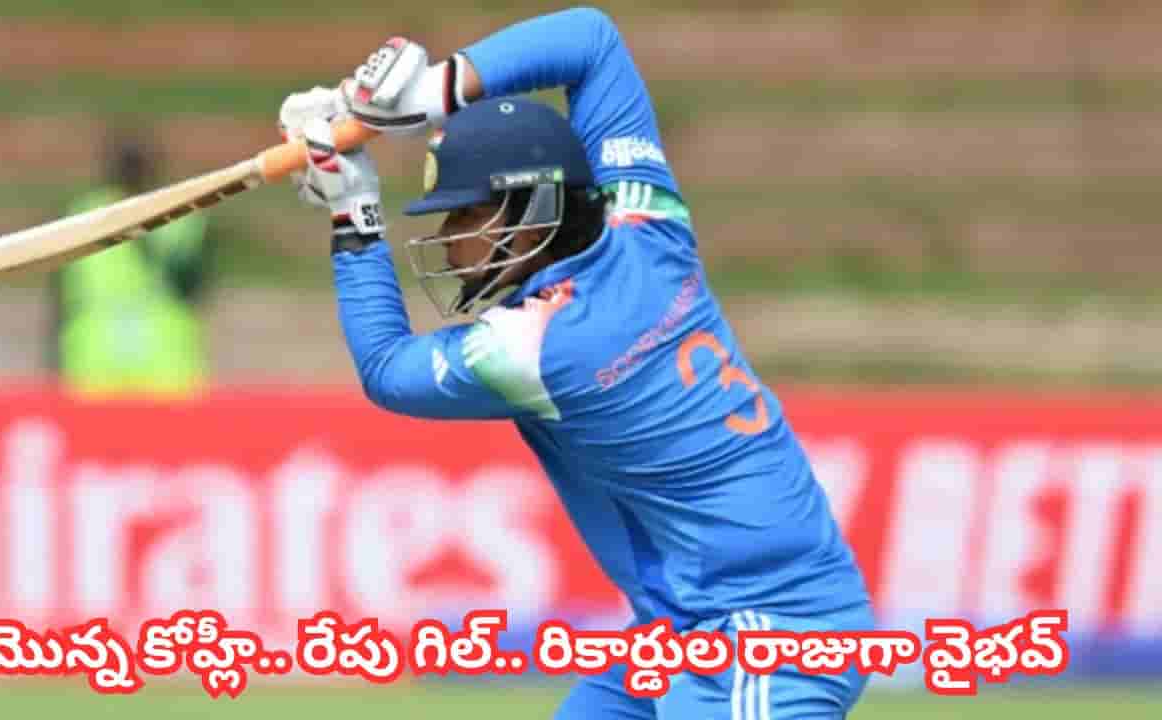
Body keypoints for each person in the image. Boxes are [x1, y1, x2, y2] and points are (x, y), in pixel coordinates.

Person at [279, 8, 873, 718]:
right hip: (686, 632)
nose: (449, 236)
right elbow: (592, 40)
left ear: (532, 212)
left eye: (465, 215)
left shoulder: (540, 347)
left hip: (769, 633)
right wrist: (436, 91)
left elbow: (385, 368)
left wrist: (355, 213)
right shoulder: (646, 224)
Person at [51, 130, 214, 397]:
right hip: (96, 365)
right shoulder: (83, 215)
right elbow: (61, 296)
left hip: (166, 367)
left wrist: (148, 240)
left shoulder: (183, 217)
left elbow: (193, 288)